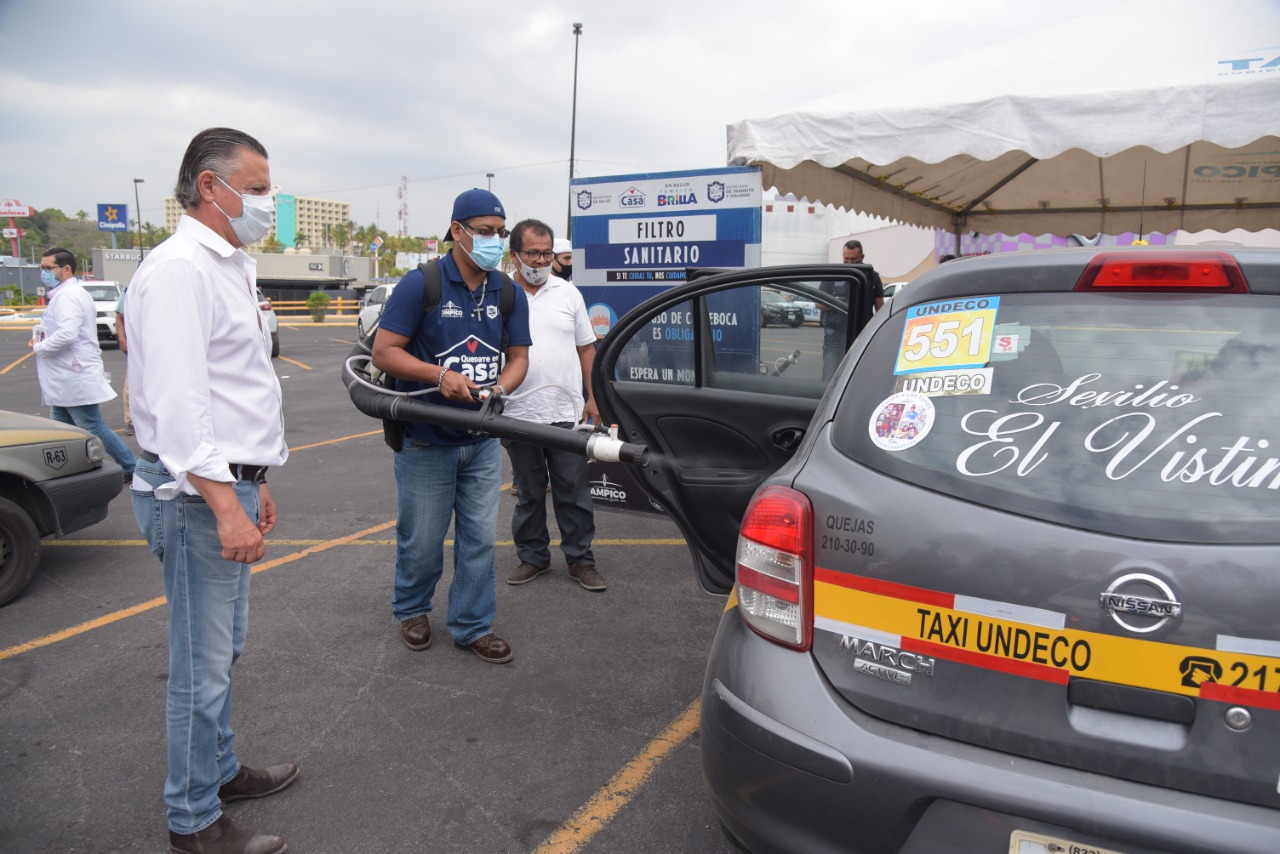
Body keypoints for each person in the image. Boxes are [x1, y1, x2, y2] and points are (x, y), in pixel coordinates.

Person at [125, 127, 295, 854]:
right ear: (209, 186)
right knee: (200, 670)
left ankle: (220, 771)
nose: (266, 201)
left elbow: (235, 386)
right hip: (193, 499)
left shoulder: (230, 265)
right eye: (256, 188)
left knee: (222, 656)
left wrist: (251, 483)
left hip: (224, 486)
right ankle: (193, 823)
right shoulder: (179, 270)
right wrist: (226, 505)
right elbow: (178, 403)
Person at [372, 188, 531, 664]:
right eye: (485, 232)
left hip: (481, 442)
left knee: (479, 540)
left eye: (501, 233)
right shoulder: (421, 284)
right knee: (422, 541)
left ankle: (472, 625)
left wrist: (501, 387)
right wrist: (439, 375)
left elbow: (520, 357)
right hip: (426, 442)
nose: (495, 241)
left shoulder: (507, 291)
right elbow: (384, 352)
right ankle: (413, 609)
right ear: (457, 231)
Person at [501, 219, 604, 592]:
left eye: (547, 253)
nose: (541, 260)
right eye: (533, 253)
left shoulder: (568, 293)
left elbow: (587, 349)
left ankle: (580, 560)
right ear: (515, 255)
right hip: (516, 414)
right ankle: (533, 558)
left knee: (573, 493)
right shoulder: (499, 295)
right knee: (528, 493)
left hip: (566, 414)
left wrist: (594, 397)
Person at [29, 248, 135, 478]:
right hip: (66, 378)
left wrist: (40, 346)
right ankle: (64, 469)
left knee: (91, 425)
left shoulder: (69, 296)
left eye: (48, 268)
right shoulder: (66, 294)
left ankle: (130, 467)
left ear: (66, 269)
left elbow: (67, 334)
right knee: (60, 426)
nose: (44, 273)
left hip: (73, 375)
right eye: (42, 268)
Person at [821, 239, 885, 381]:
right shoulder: (833, 274)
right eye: (846, 259)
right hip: (835, 331)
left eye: (854, 260)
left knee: (859, 375)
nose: (849, 263)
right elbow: (819, 304)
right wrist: (836, 302)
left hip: (862, 332)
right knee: (830, 374)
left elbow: (880, 307)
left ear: (862, 257)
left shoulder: (872, 277)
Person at [114, 287, 133, 435]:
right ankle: (131, 421)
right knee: (131, 386)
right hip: (136, 347)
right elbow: (120, 317)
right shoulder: (129, 289)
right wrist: (122, 340)